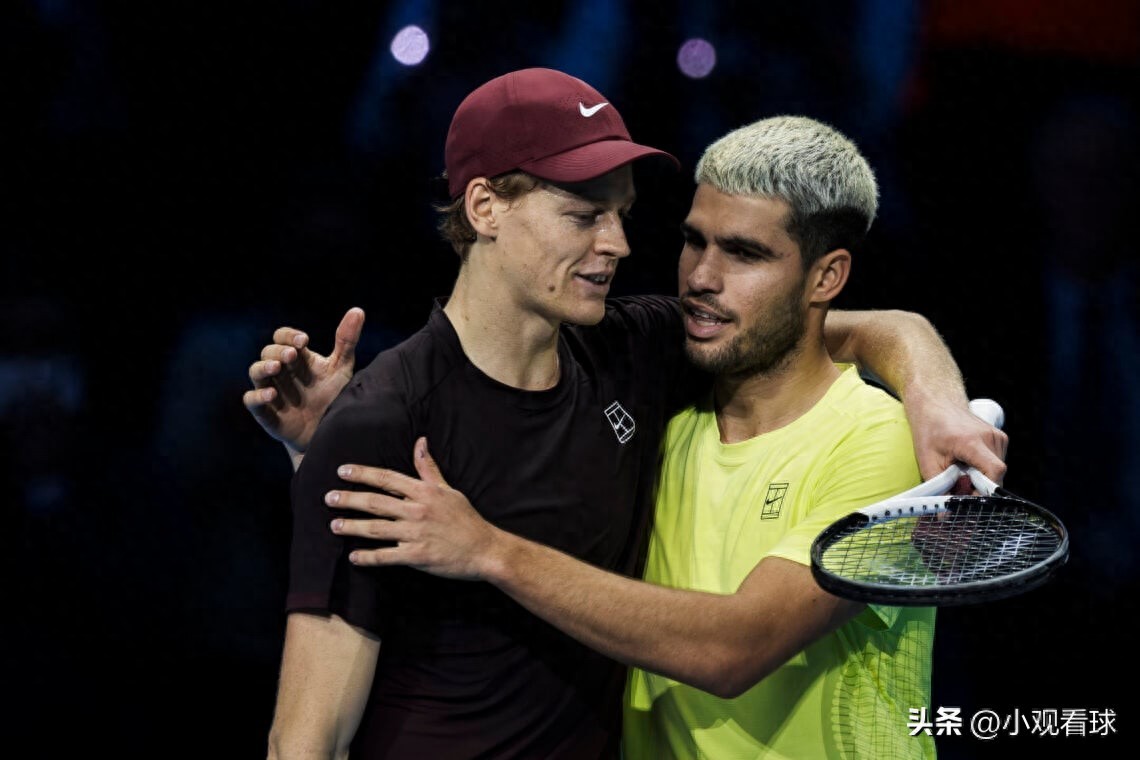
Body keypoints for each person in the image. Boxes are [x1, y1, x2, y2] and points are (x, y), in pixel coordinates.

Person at [247, 69, 1006, 759]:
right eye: (584, 215)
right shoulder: (381, 420)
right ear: (484, 207)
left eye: (623, 215)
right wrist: (328, 448)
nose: (617, 244)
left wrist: (931, 391)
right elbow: (304, 741)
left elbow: (817, 327)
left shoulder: (636, 357)